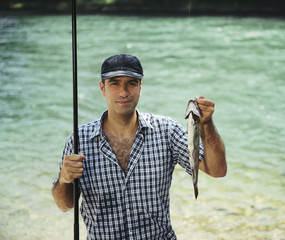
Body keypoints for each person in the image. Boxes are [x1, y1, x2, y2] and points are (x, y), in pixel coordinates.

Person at [52, 54, 227, 240]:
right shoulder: (80, 140)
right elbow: (65, 205)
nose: (124, 92)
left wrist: (206, 124)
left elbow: (218, 170)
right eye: (115, 83)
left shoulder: (166, 131)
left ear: (140, 87)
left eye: (131, 83)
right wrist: (63, 180)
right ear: (102, 88)